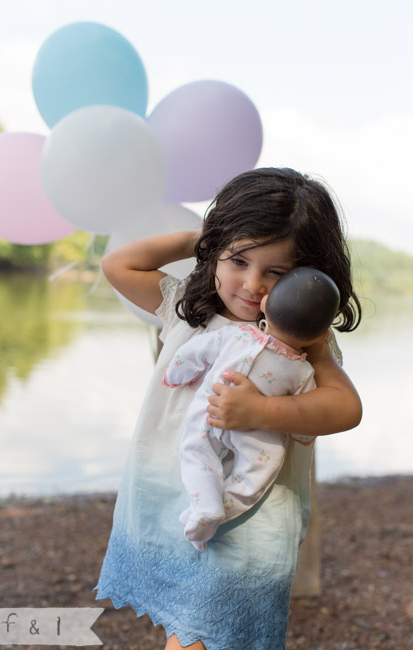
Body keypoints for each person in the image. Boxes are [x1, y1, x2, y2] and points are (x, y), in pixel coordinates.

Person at [95, 168, 362, 650]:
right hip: (167, 505)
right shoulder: (183, 307)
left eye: (276, 272)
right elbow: (118, 265)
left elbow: (344, 408)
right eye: (238, 260)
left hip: (245, 523)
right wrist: (206, 237)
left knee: (205, 635)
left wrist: (259, 411)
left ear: (306, 275)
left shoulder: (302, 341)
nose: (251, 284)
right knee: (186, 627)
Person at [163, 267, 340, 551]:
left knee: (196, 453)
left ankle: (204, 505)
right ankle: (221, 510)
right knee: (258, 472)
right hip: (258, 436)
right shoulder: (302, 371)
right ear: (322, 337)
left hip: (208, 413)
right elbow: (305, 415)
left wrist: (175, 375)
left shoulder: (236, 335)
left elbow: (193, 352)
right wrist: (302, 437)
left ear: (265, 305)